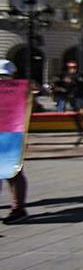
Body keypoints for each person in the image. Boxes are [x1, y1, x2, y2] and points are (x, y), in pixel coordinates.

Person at [1, 60, 30, 224]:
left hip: (11, 137)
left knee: (13, 174)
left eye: (4, 76)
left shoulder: (20, 92)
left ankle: (18, 208)